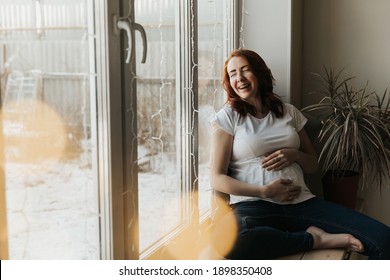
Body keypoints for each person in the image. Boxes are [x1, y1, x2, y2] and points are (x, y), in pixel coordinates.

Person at [210, 48, 390, 260]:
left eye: (245, 70)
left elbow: (313, 164)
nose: (239, 78)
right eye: (232, 74)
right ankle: (315, 239)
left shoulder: (288, 112)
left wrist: (294, 155)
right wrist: (265, 191)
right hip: (253, 207)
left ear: (259, 73)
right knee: (231, 242)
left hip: (302, 203)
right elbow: (217, 178)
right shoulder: (228, 117)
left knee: (383, 238)